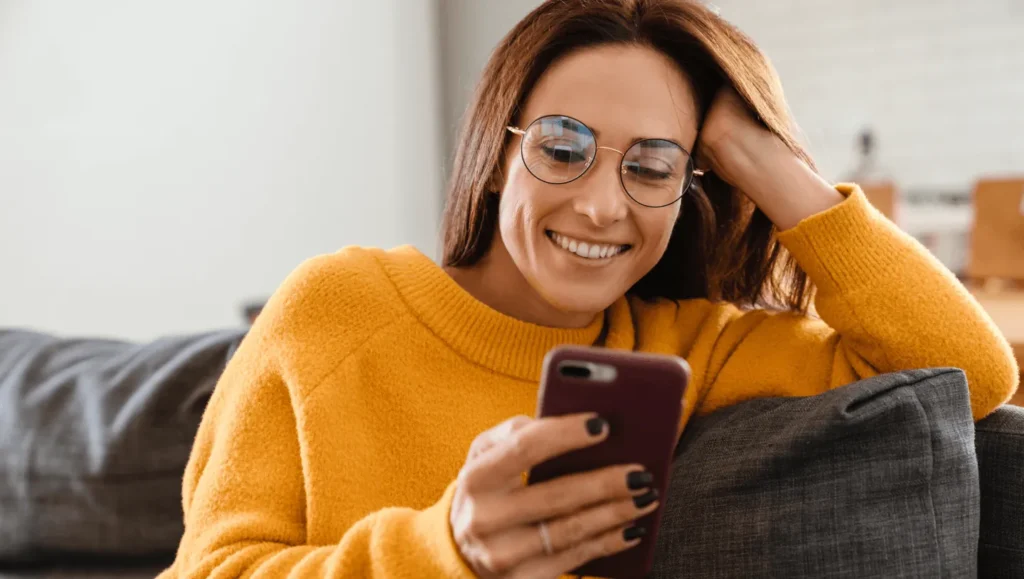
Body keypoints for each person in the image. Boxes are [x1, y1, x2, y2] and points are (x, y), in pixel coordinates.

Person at [159, 1, 1019, 577]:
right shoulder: (336, 306)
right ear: (497, 160)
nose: (603, 204)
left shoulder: (691, 346)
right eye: (564, 146)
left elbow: (968, 372)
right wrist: (445, 546)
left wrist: (764, 162)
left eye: (651, 165)